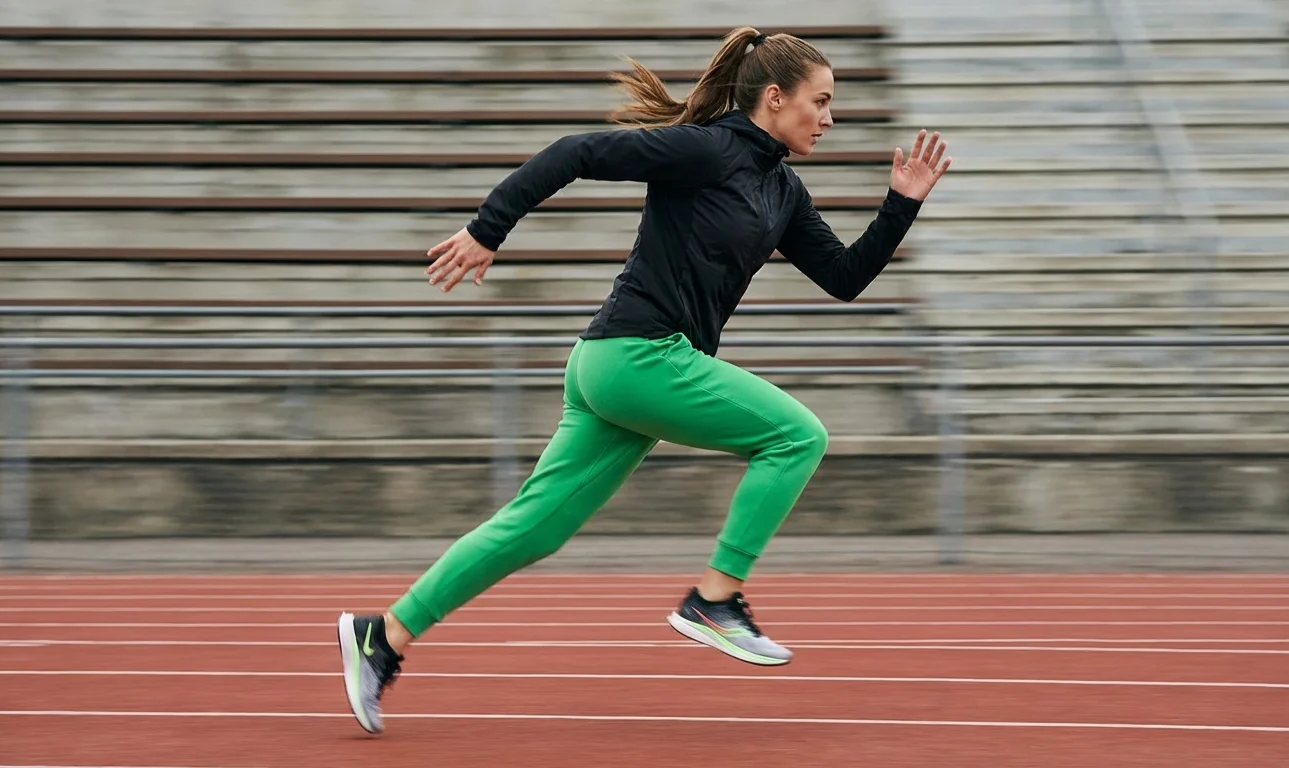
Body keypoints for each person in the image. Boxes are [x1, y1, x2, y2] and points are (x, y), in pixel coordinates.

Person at [337, 25, 951, 734]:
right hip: (637, 355)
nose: (830, 117)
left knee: (533, 530)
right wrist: (487, 228)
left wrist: (901, 203)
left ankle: (384, 636)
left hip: (616, 368)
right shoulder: (705, 149)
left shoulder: (781, 190)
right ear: (776, 98)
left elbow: (844, 278)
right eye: (822, 101)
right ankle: (715, 598)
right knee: (797, 436)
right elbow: (576, 152)